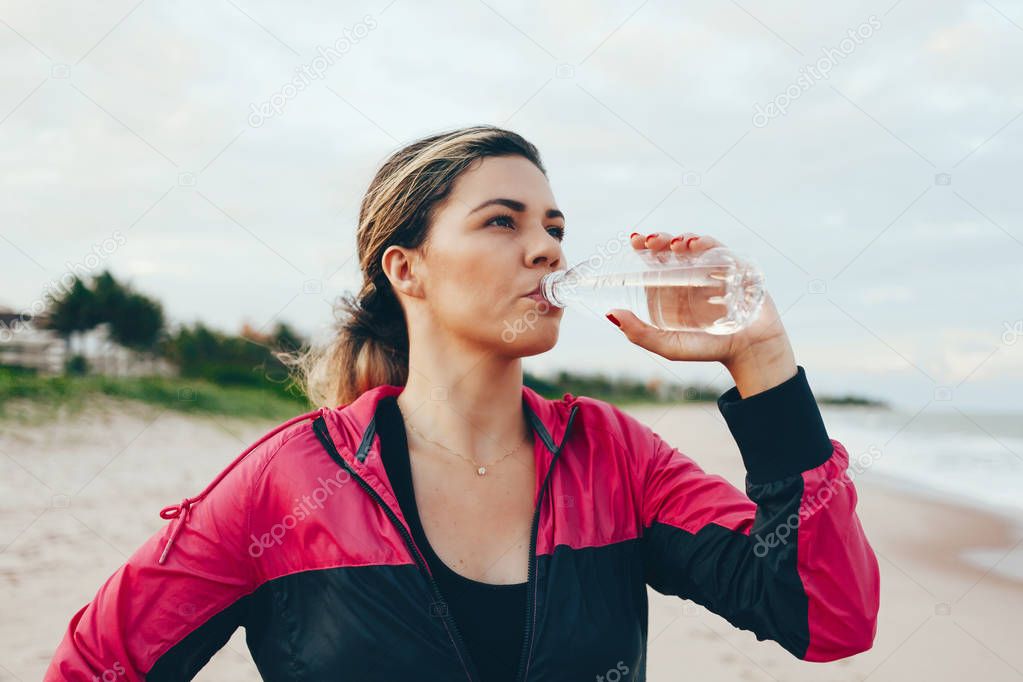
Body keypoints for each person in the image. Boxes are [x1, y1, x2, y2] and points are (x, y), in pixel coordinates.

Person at [46, 125, 880, 681]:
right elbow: (94, 664)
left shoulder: (613, 457)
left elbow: (826, 615)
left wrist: (760, 359)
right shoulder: (290, 481)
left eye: (553, 225)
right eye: (501, 222)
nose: (547, 246)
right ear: (405, 268)